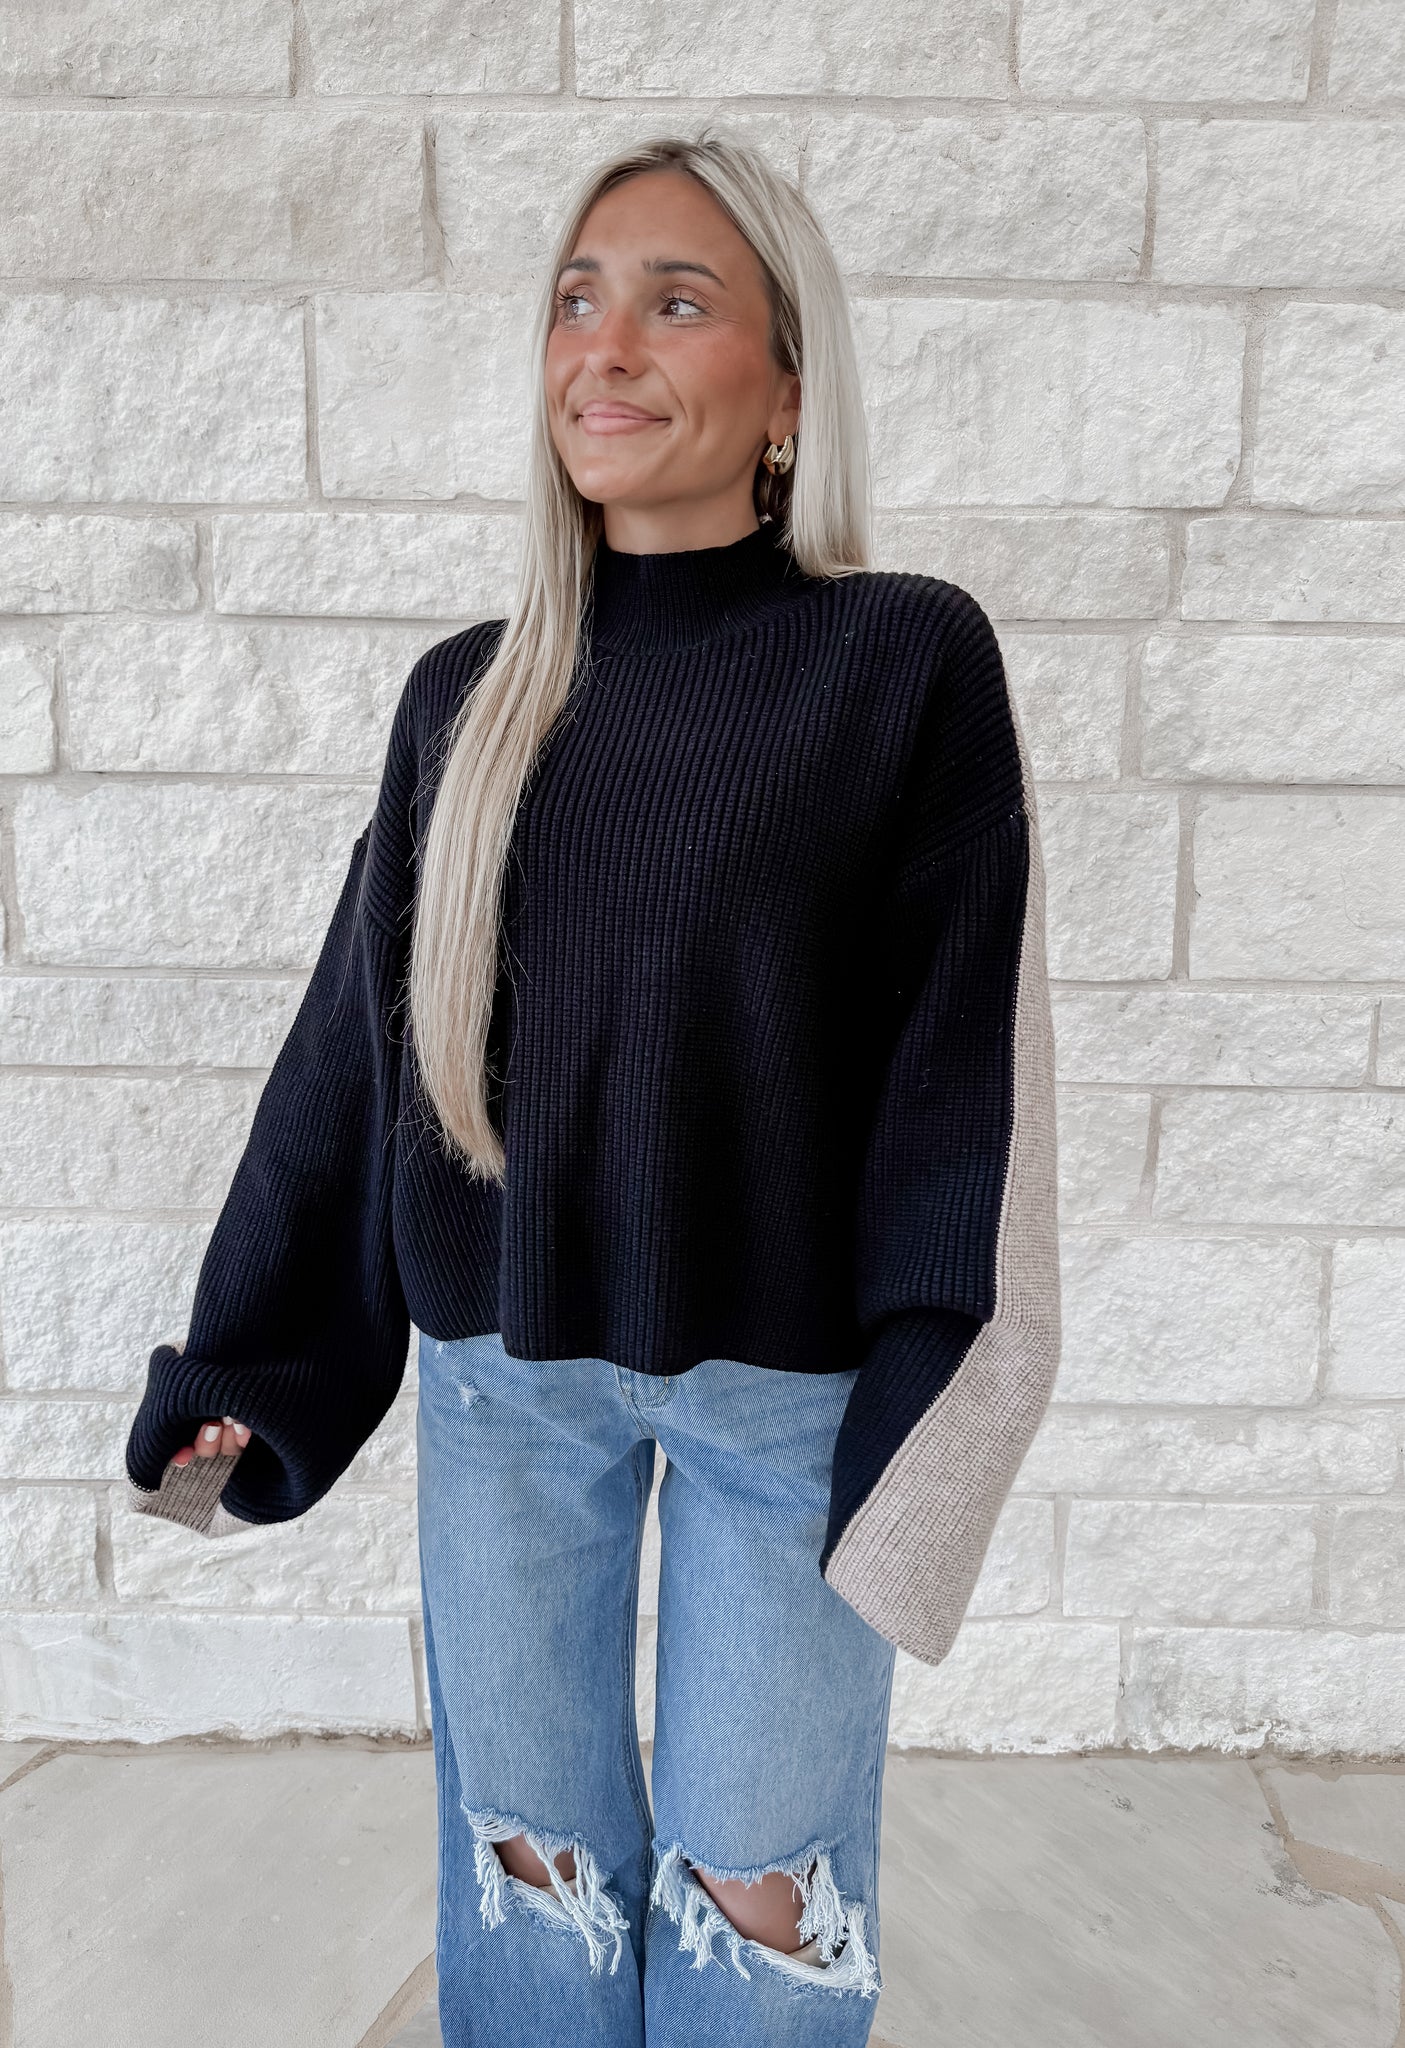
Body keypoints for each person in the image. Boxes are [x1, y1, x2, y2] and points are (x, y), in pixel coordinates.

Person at [122, 128, 1061, 2047]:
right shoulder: (469, 694)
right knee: (528, 1867)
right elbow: (353, 1055)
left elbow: (959, 1067)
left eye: (675, 300)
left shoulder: (899, 659)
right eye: (575, 298)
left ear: (787, 389)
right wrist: (247, 1368)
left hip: (788, 1402)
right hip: (503, 1382)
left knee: (760, 1893)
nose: (604, 346)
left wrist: (927, 1397)